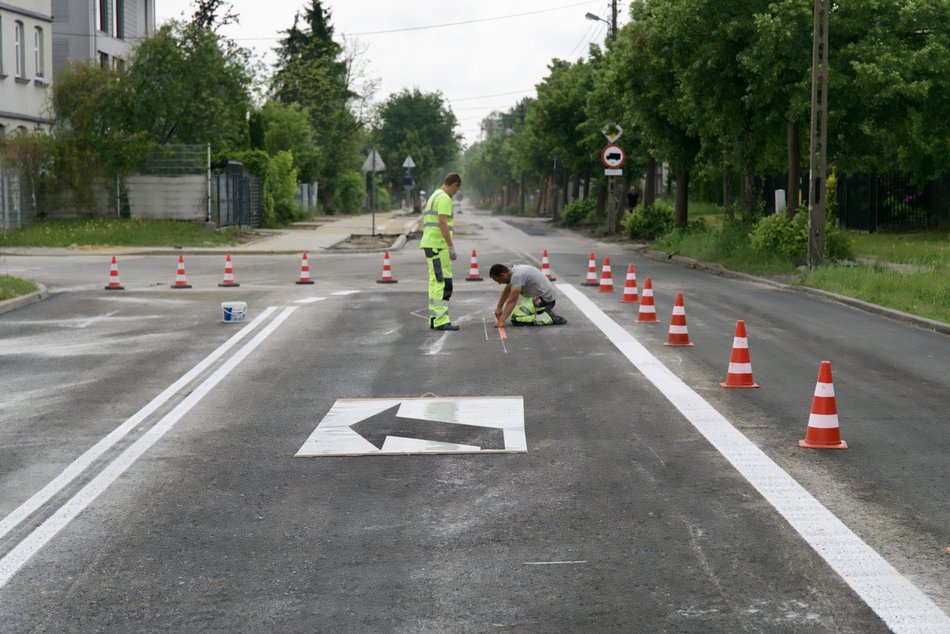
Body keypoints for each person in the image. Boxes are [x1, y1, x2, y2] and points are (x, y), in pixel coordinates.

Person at [420, 173, 462, 331]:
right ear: (455, 184)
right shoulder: (444, 197)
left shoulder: (434, 195)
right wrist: (450, 246)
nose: (455, 194)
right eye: (456, 190)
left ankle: (434, 318)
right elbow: (443, 222)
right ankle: (441, 320)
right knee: (443, 282)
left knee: (434, 281)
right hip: (439, 246)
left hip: (431, 244)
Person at [489, 263, 568, 328]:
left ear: (502, 275)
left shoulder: (517, 276)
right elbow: (507, 290)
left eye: (498, 280)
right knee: (515, 312)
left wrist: (501, 321)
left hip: (545, 301)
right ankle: (541, 312)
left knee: (516, 318)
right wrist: (499, 307)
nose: (499, 283)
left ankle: (549, 317)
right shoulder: (513, 271)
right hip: (538, 298)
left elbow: (512, 301)